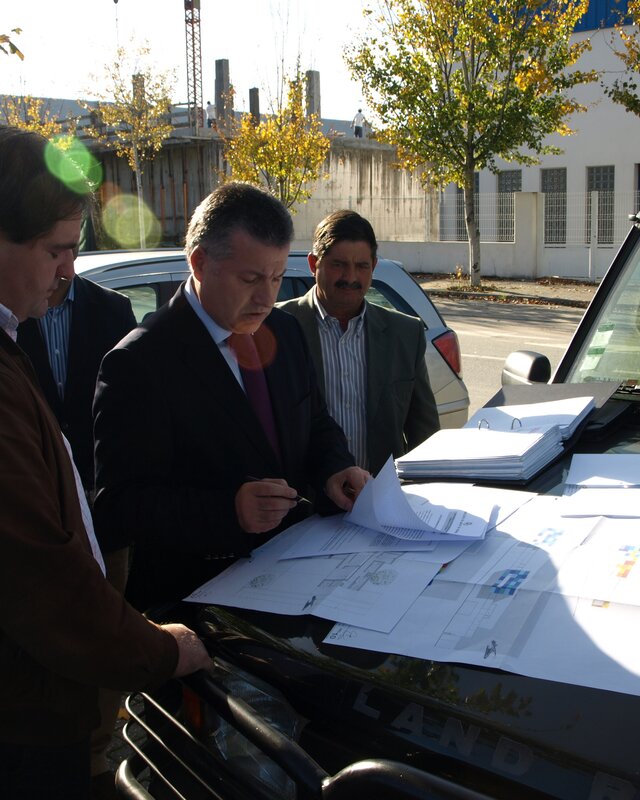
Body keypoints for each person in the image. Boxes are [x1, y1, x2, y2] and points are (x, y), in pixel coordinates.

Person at [0, 126, 211, 800]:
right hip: (23, 730)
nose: (69, 271)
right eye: (56, 250)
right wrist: (162, 650)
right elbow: (40, 582)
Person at [92, 182, 369, 612]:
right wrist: (229, 512)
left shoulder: (284, 331)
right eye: (250, 279)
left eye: (277, 278)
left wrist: (336, 467)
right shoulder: (139, 362)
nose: (266, 298)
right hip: (199, 603)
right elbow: (119, 509)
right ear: (200, 263)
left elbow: (314, 421)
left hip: (295, 574)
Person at [277, 209, 440, 476]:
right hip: (305, 498)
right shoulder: (276, 327)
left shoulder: (405, 333)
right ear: (313, 264)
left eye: (362, 266)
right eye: (338, 264)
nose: (351, 277)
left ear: (373, 267)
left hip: (383, 495)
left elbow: (425, 433)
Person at [17, 275, 136, 496]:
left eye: (69, 254)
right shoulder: (14, 310)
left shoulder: (113, 308)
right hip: (34, 481)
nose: (63, 266)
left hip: (101, 483)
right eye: (54, 256)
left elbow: (132, 403)